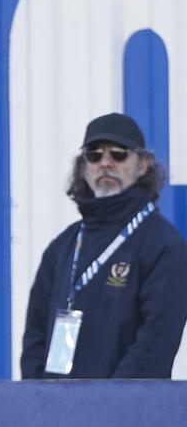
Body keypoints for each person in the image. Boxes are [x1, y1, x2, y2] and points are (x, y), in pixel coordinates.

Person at [21, 113, 187, 379]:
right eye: (94, 155)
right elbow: (35, 336)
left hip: (125, 413)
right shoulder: (63, 246)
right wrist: (41, 399)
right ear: (83, 167)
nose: (105, 163)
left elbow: (157, 340)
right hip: (58, 411)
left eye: (119, 154)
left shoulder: (163, 244)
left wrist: (109, 405)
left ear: (143, 165)